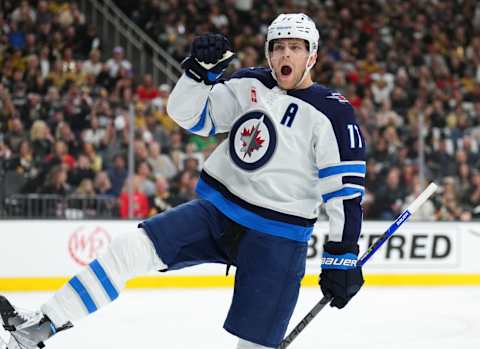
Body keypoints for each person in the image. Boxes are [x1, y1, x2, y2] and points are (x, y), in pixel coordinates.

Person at [0, 13, 366, 349]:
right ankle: (41, 327)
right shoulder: (249, 83)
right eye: (279, 46)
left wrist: (343, 254)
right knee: (131, 247)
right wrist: (196, 76)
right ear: (269, 53)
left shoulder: (332, 112)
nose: (286, 54)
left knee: (253, 343)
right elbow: (191, 117)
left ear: (312, 56)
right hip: (218, 214)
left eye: (296, 48)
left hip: (278, 235)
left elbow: (345, 194)